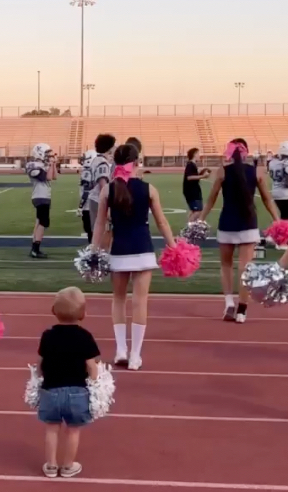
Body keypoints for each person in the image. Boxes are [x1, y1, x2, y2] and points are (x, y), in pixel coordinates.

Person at [92, 144, 176, 370]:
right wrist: (174, 246)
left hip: (119, 250)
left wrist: (93, 249)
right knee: (140, 302)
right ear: (137, 162)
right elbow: (161, 222)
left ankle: (121, 349)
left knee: (118, 300)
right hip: (143, 250)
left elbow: (100, 223)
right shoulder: (149, 189)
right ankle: (135, 355)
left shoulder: (108, 190)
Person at [198, 139, 279, 323]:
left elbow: (210, 200)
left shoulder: (222, 172)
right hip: (248, 224)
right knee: (246, 268)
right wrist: (277, 220)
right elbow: (267, 200)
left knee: (226, 266)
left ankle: (228, 302)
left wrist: (201, 219)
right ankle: (242, 310)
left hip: (227, 223)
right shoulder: (256, 172)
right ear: (246, 152)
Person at [36, 286, 99, 479]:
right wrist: (96, 384)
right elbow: (92, 366)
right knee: (73, 431)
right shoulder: (85, 336)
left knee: (52, 429)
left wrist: (39, 377)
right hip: (77, 391)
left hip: (50, 390)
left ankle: (51, 465)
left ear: (54, 311)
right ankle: (68, 465)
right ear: (83, 314)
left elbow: (41, 363)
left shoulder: (47, 336)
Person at [26, 143, 58, 259]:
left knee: (39, 221)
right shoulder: (33, 165)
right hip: (40, 196)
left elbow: (54, 177)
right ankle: (35, 249)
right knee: (43, 222)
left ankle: (34, 246)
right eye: (47, 153)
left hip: (44, 196)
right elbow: (47, 177)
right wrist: (49, 164)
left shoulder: (42, 164)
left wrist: (53, 164)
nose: (49, 155)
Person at [88, 134, 115, 230]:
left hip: (95, 199)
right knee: (101, 231)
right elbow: (103, 185)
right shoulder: (102, 162)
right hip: (98, 200)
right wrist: (108, 204)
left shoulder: (97, 160)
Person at [268, 141, 288, 223]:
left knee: (283, 215)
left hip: (275, 191)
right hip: (285, 193)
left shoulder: (272, 162)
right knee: (286, 216)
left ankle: (282, 232)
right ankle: (285, 233)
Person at [183, 148, 210, 221]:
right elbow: (189, 177)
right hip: (192, 191)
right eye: (198, 153)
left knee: (194, 211)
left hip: (193, 191)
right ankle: (189, 228)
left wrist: (201, 173)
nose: (199, 155)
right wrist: (203, 176)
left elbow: (193, 175)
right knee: (197, 212)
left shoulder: (192, 165)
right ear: (194, 154)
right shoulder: (190, 165)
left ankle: (190, 227)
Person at [78, 150, 97, 243]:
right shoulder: (94, 170)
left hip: (88, 205)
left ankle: (93, 251)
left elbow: (86, 190)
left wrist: (80, 206)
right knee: (93, 229)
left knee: (89, 230)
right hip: (94, 203)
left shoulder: (87, 172)